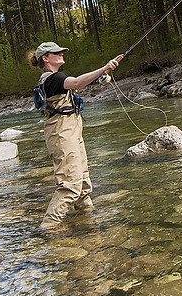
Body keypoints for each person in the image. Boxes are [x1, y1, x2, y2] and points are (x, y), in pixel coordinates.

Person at [29, 42, 123, 229]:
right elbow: (78, 82)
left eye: (61, 51)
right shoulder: (53, 79)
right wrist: (105, 67)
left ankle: (86, 220)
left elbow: (79, 85)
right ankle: (48, 227)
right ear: (45, 59)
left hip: (69, 129)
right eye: (56, 52)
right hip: (61, 132)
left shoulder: (55, 79)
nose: (61, 53)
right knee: (70, 184)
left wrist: (103, 73)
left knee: (83, 181)